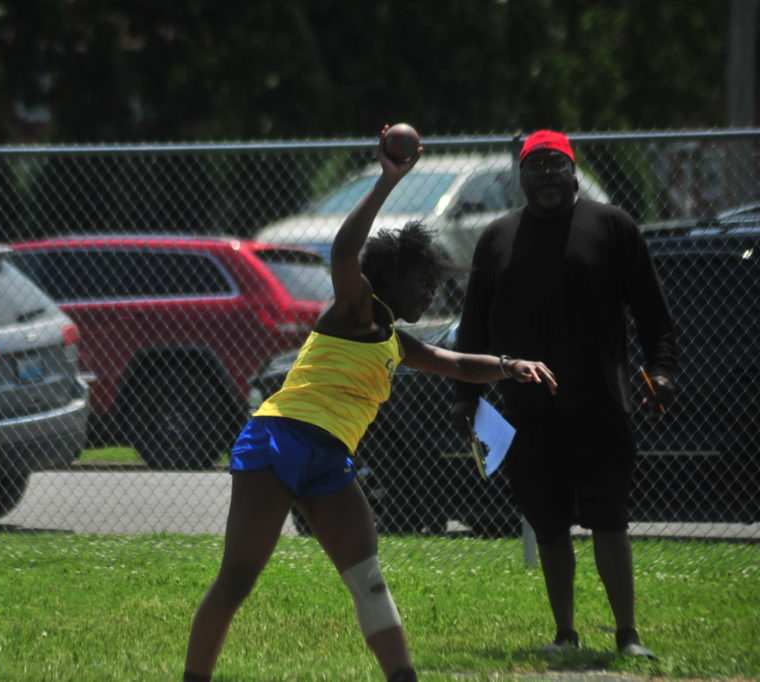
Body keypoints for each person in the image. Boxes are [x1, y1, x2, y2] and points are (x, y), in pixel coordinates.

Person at [182, 126, 558, 682]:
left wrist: (509, 365)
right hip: (279, 439)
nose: (429, 293)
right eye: (420, 282)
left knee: (369, 580)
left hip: (330, 462)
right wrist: (387, 179)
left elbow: (456, 363)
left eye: (434, 285)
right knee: (237, 580)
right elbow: (343, 250)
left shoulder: (395, 341)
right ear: (388, 278)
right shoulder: (355, 308)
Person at [450, 130, 678, 660]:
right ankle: (564, 633)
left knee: (609, 517)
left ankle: (627, 634)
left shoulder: (612, 227)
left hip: (601, 404)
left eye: (557, 164)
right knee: (548, 524)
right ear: (521, 176)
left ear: (574, 172)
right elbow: (474, 324)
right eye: (536, 166)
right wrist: (465, 395)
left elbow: (652, 312)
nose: (547, 174)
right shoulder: (497, 238)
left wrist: (662, 372)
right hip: (527, 410)